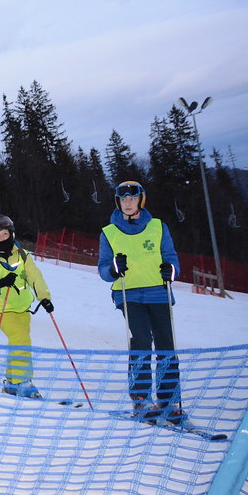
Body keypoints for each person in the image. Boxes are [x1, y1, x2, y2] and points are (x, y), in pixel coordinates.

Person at [98, 180, 183, 424]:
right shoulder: (109, 232)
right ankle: (141, 398)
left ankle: (168, 399)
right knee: (143, 340)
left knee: (166, 343)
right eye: (123, 199)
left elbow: (171, 258)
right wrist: (114, 269)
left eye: (132, 199)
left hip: (158, 291)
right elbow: (104, 269)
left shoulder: (158, 227)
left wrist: (171, 270)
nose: (127, 203)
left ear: (140, 201)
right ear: (118, 202)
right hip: (128, 294)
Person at [0, 214, 54, 399]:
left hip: (22, 307)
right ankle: (22, 382)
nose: (1, 238)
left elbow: (35, 277)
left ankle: (11, 383)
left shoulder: (23, 255)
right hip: (0, 309)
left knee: (18, 341)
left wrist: (44, 297)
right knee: (20, 338)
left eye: (4, 234)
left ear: (11, 234)